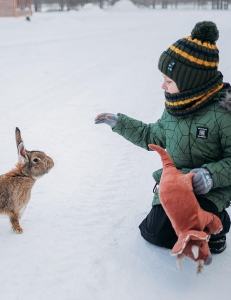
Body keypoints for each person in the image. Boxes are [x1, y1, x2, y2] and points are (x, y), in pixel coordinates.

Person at [95, 21, 231, 254]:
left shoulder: (223, 113)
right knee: (155, 233)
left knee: (192, 222)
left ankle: (216, 224)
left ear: (191, 83)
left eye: (169, 81)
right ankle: (199, 227)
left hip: (210, 189)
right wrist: (120, 123)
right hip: (176, 185)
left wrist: (210, 175)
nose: (163, 86)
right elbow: (153, 134)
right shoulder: (174, 108)